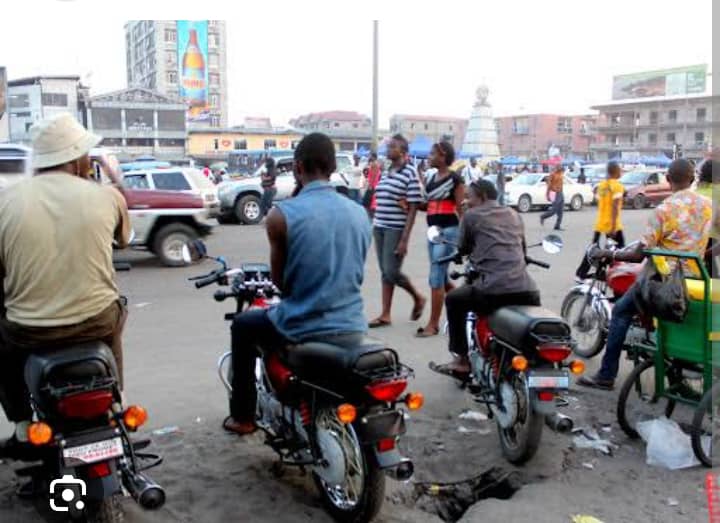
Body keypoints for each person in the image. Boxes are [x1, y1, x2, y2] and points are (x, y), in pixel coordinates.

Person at [223, 133, 371, 435]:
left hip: (302, 324)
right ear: (331, 167)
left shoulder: (281, 216)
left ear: (297, 168)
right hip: (353, 322)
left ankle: (244, 417)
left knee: (243, 325)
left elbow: (281, 283)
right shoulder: (359, 213)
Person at [0, 113, 131, 436]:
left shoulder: (5, 201)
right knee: (115, 313)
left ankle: (20, 421)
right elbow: (124, 240)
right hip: (96, 321)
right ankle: (119, 398)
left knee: (2, 347)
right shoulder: (107, 196)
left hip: (29, 330)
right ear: (77, 159)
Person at [578, 159, 712, 390]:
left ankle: (606, 375)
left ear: (668, 179)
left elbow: (639, 254)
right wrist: (702, 254)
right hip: (697, 280)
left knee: (620, 311)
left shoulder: (664, 209)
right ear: (692, 180)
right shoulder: (708, 204)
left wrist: (609, 254)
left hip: (663, 282)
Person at [429, 180, 540, 377]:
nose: (465, 202)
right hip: (527, 291)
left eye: (468, 197)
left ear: (481, 196)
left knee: (453, 299)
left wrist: (462, 220)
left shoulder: (471, 216)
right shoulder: (514, 214)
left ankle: (462, 361)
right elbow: (522, 250)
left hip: (492, 290)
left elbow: (463, 248)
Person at [368, 134, 426, 328]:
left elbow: (413, 208)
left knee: (392, 271)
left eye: (392, 147)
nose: (388, 149)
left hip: (395, 229)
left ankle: (417, 297)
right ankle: (385, 314)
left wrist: (404, 240)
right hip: (380, 226)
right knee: (385, 272)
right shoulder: (387, 171)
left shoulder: (410, 173)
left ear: (402, 151)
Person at [416, 142, 465, 337]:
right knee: (442, 277)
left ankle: (433, 324)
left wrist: (465, 238)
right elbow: (429, 205)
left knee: (436, 276)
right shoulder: (432, 178)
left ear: (443, 156)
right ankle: (462, 305)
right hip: (434, 232)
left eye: (432, 154)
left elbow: (461, 209)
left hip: (448, 232)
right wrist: (409, 204)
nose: (429, 157)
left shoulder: (455, 179)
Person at [575, 161, 626, 280]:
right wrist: (613, 226)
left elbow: (598, 201)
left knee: (593, 248)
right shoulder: (617, 186)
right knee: (620, 250)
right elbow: (614, 206)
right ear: (615, 171)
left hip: (600, 223)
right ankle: (613, 273)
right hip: (613, 224)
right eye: (620, 170)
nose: (621, 172)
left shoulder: (602, 185)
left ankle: (581, 273)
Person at [540, 164, 565, 230]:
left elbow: (561, 184)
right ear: (556, 167)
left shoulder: (561, 174)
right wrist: (547, 194)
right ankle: (543, 216)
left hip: (560, 193)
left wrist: (562, 193)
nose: (560, 167)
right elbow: (549, 185)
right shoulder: (552, 174)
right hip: (553, 193)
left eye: (560, 166)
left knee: (561, 211)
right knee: (554, 210)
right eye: (559, 166)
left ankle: (557, 226)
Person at [363, 152, 382, 218]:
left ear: (374, 157)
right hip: (373, 187)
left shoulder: (375, 166)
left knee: (369, 205)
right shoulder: (374, 165)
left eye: (370, 156)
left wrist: (370, 186)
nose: (369, 157)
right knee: (369, 204)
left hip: (373, 187)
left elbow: (373, 177)